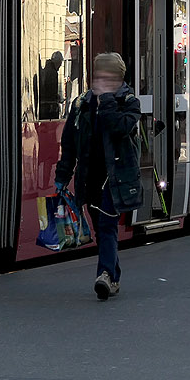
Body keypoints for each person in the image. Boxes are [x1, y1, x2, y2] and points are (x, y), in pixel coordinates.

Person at [55, 52, 143, 300]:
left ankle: (105, 275)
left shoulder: (128, 101)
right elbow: (69, 144)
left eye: (107, 77)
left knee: (107, 225)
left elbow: (121, 127)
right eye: (98, 76)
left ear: (117, 78)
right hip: (89, 177)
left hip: (116, 178)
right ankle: (112, 274)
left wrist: (107, 102)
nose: (100, 81)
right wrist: (62, 175)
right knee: (99, 227)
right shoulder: (81, 104)